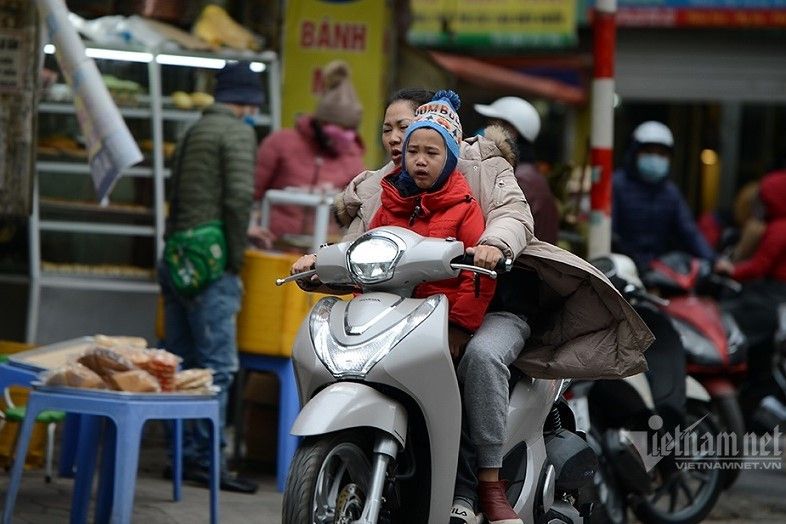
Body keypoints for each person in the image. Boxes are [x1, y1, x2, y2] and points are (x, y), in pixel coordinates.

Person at [157, 62, 259, 494]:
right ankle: (209, 463)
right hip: (210, 262)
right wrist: (235, 257)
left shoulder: (192, 129)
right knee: (217, 367)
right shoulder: (238, 132)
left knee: (180, 362)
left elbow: (176, 195)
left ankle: (180, 458)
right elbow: (237, 199)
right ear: (249, 100)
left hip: (178, 256)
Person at [368, 90, 497, 337]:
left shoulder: (465, 208)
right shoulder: (389, 203)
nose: (420, 160)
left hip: (439, 326)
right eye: (413, 151)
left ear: (450, 158)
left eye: (432, 153)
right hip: (385, 322)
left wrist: (457, 328)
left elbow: (477, 277)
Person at [251, 60, 365, 243]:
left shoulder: (352, 157)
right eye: (337, 128)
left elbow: (360, 208)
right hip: (274, 244)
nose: (343, 137)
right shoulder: (280, 143)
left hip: (321, 251)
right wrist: (250, 227)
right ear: (321, 122)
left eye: (348, 130)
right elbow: (252, 192)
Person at [715, 169, 786, 422]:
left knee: (724, 323)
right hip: (773, 296)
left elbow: (759, 266)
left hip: (770, 296)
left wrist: (730, 270)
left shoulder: (778, 228)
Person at [612, 121, 716, 269]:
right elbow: (609, 232)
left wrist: (713, 260)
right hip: (622, 267)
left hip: (658, 270)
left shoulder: (670, 192)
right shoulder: (616, 185)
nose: (655, 159)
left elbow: (689, 232)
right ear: (634, 153)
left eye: (661, 154)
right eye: (648, 152)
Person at [474, 96, 560, 244]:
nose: (484, 133)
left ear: (511, 131)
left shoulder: (519, 179)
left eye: (492, 126)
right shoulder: (527, 173)